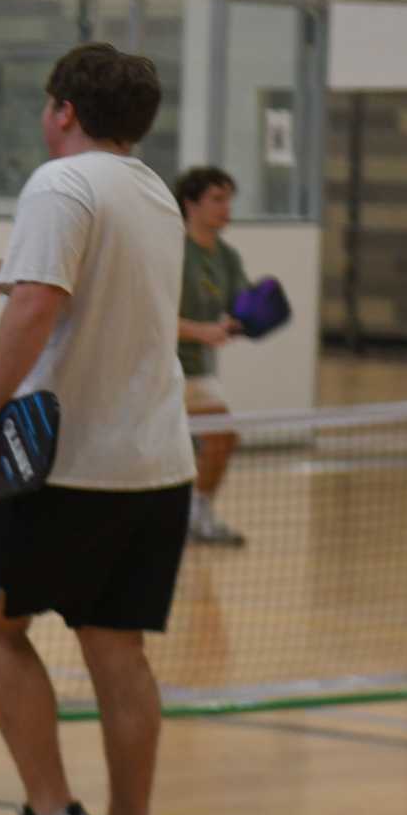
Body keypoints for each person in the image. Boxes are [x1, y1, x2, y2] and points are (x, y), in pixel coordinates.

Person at [0, 42, 193, 815]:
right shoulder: (151, 190)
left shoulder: (58, 182)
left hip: (70, 472)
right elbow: (78, 279)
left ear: (63, 111)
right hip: (156, 466)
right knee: (118, 653)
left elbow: (44, 304)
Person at [175, 166, 251, 547]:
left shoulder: (227, 258)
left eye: (229, 199)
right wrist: (201, 331)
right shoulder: (172, 250)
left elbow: (242, 307)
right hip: (156, 370)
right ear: (191, 204)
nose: (226, 208)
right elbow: (149, 319)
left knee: (222, 436)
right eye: (217, 200)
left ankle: (198, 514)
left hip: (196, 371)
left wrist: (247, 320)